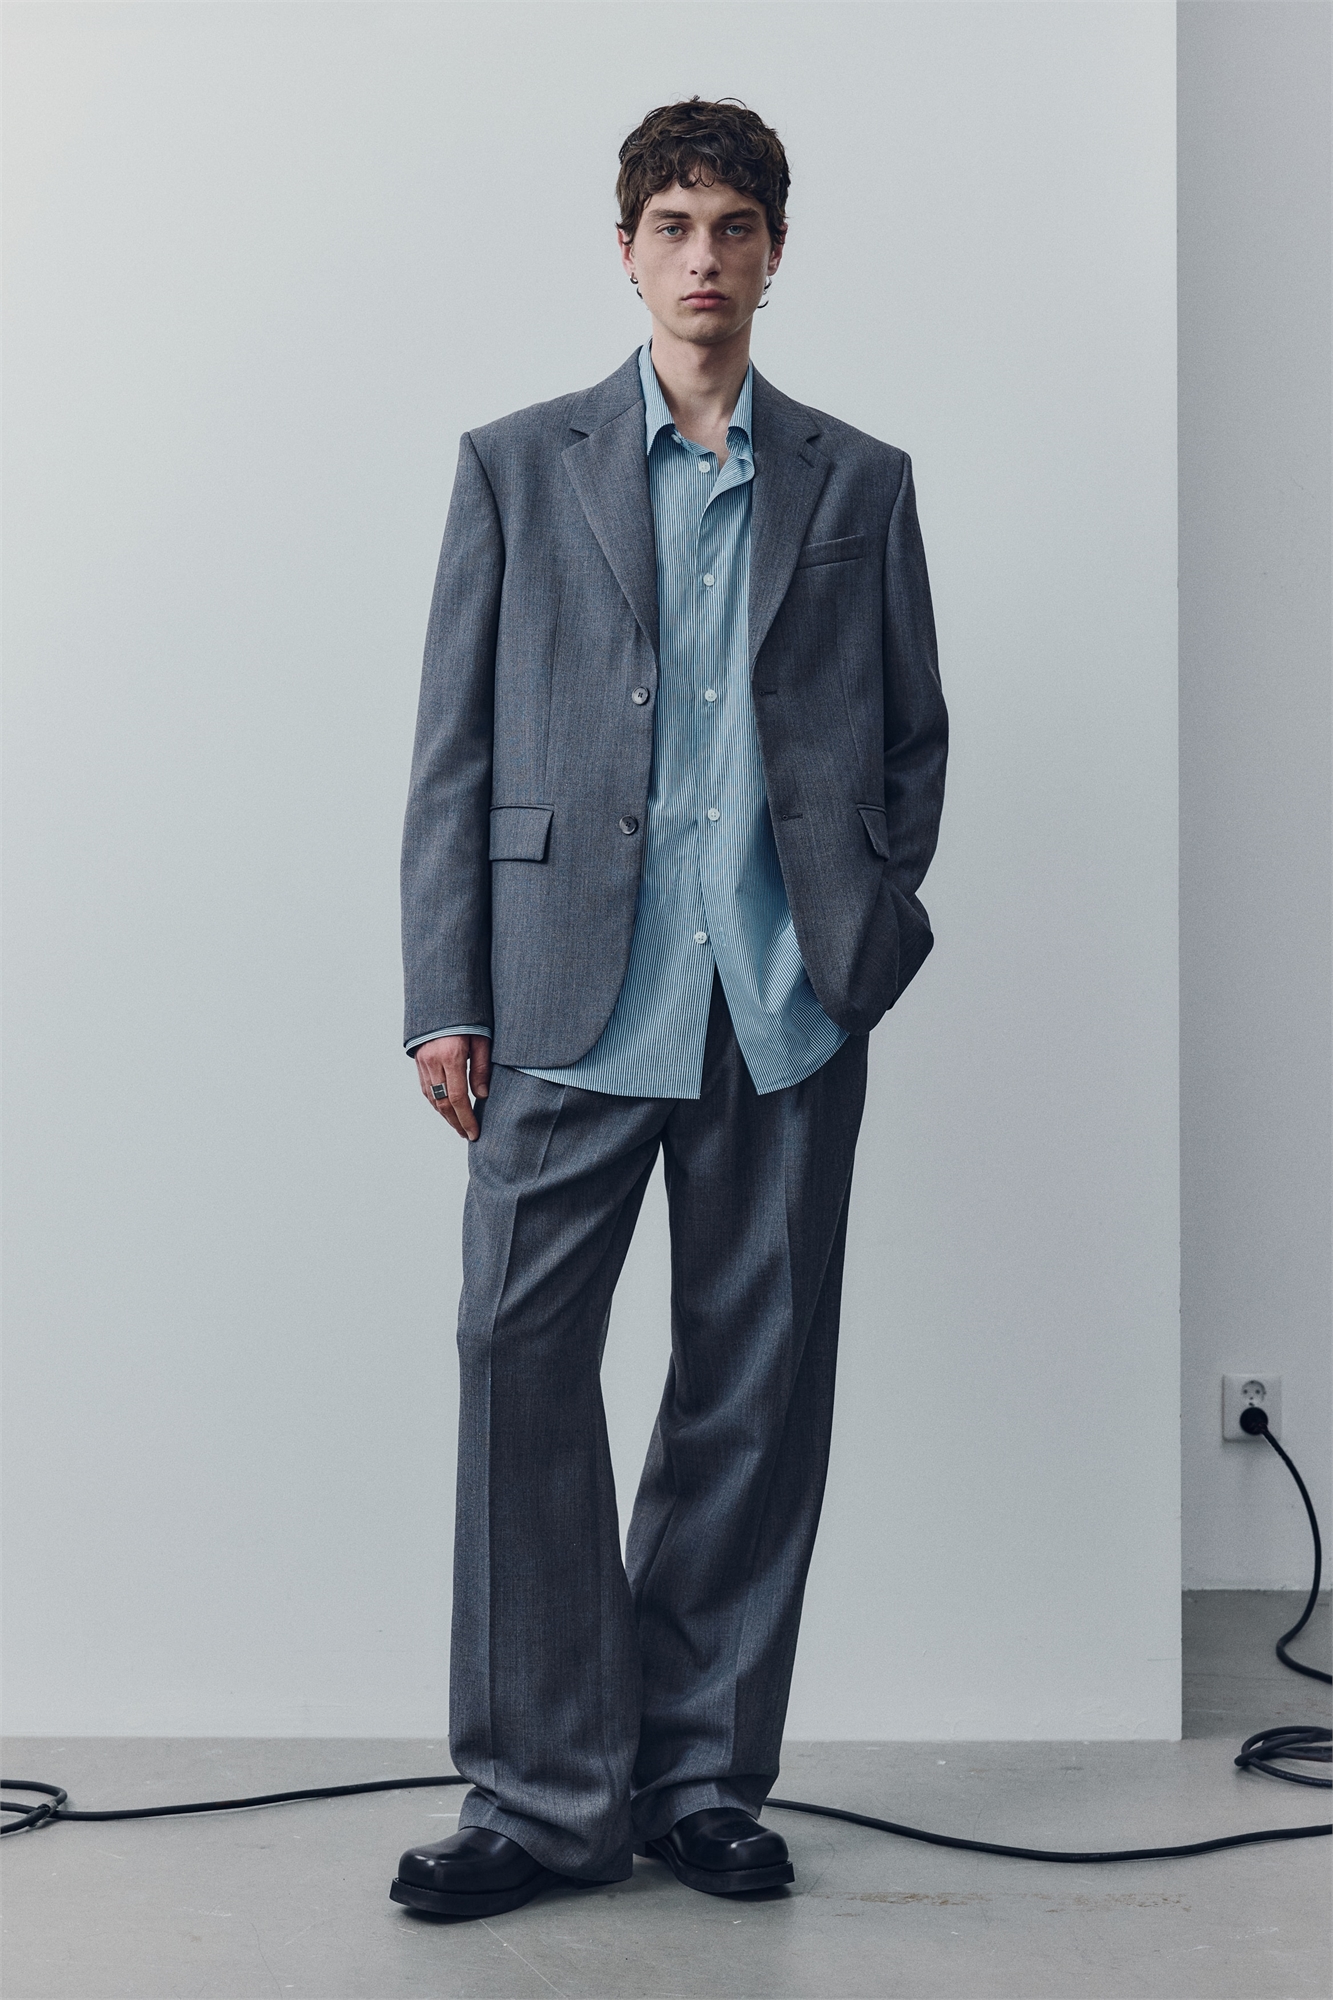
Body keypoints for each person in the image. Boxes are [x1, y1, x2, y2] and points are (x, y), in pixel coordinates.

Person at [391, 96, 947, 1921]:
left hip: (779, 1005)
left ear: (776, 254)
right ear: (625, 251)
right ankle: (538, 1797)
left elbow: (910, 735)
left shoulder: (858, 480)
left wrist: (862, 933)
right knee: (516, 1365)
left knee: (751, 1394)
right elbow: (452, 754)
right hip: (567, 993)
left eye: (734, 227)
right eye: (673, 225)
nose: (704, 258)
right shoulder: (515, 464)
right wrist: (444, 993)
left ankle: (698, 1776)